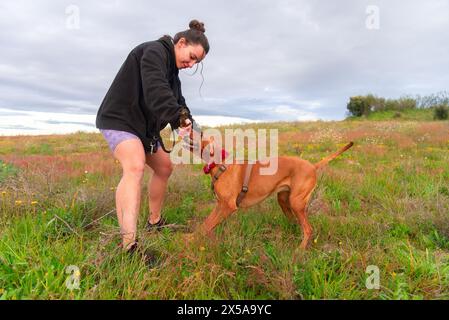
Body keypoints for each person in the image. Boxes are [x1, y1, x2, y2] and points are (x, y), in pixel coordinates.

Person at [96, 20, 209, 252]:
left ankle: (154, 222)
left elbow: (180, 105)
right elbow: (156, 91)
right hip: (119, 119)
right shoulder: (153, 52)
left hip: (143, 129)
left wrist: (197, 136)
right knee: (135, 166)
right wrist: (179, 119)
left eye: (197, 62)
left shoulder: (173, 75)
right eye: (192, 56)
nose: (191, 64)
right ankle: (129, 246)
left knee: (165, 167)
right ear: (181, 42)